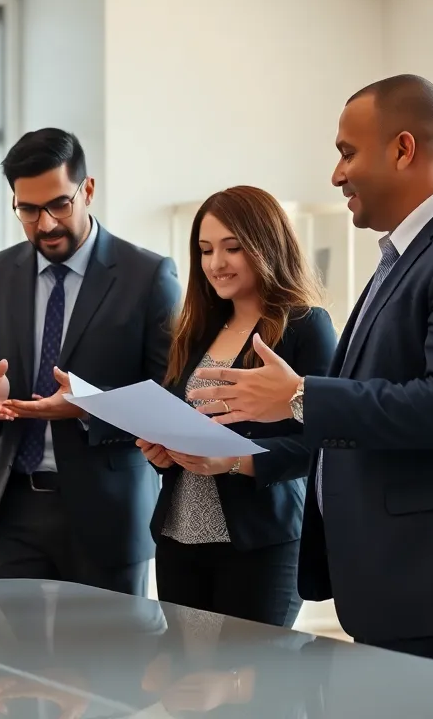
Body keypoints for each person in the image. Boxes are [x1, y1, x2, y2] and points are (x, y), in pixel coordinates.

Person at [188, 75, 433, 669]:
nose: (336, 174)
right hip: (396, 575)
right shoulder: (411, 252)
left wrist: (300, 398)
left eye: (347, 153)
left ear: (403, 149)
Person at [0, 127, 182, 597]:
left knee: (107, 645)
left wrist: (89, 407)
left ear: (88, 190)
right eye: (28, 210)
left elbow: (170, 399)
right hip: (9, 511)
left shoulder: (147, 276)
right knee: (5, 646)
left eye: (59, 204)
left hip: (109, 514)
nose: (46, 224)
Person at [136, 186, 336, 629]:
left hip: (259, 541)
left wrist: (234, 461)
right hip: (179, 536)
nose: (215, 263)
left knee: (250, 669)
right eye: (205, 250)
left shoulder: (306, 326)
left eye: (232, 248)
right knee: (186, 670)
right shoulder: (196, 331)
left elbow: (324, 442)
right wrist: (161, 453)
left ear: (266, 245)